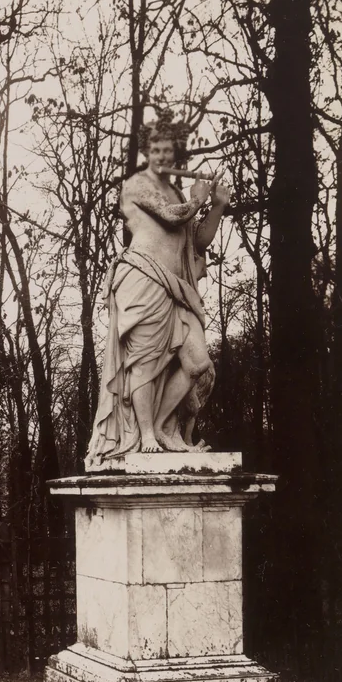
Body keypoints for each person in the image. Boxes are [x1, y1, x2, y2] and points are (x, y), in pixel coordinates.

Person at [86, 116, 231, 467]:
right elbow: (170, 217)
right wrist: (196, 202)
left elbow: (196, 240)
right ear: (146, 152)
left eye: (167, 150)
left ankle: (165, 429)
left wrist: (217, 206)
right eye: (155, 149)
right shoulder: (136, 185)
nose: (162, 156)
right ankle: (146, 434)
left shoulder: (179, 192)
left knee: (198, 363)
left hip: (177, 287)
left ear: (175, 153)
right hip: (142, 278)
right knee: (145, 362)